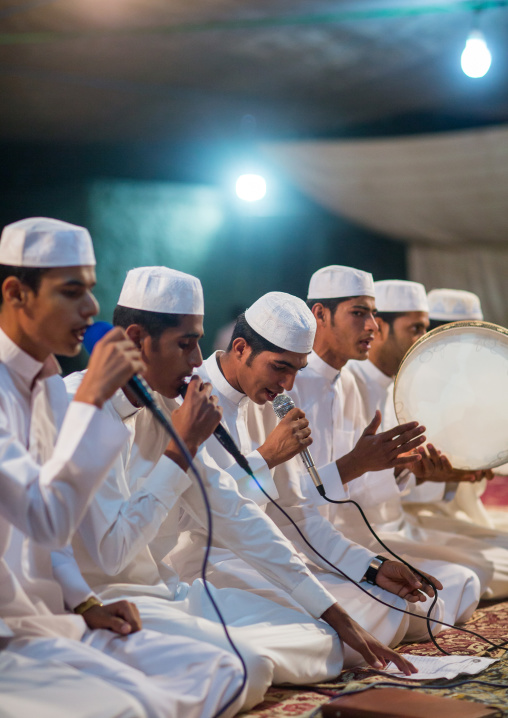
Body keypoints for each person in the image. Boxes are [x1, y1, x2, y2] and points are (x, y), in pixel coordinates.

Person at [65, 266, 419, 704]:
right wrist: (185, 449)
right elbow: (113, 554)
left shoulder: (167, 409)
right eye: (186, 343)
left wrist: (334, 612)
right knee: (245, 669)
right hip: (106, 601)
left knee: (330, 638)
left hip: (170, 589)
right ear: (138, 340)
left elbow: (238, 513)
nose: (197, 360)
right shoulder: (78, 406)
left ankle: (209, 656)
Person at [0, 218, 245, 718]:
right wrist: (90, 402)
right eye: (71, 292)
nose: (90, 309)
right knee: (136, 709)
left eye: (90, 291)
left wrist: (84, 602)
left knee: (225, 673)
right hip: (14, 623)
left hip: (50, 614)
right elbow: (47, 517)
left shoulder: (44, 383)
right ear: (16, 293)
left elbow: (52, 541)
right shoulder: (54, 392)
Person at [184, 290, 449, 661]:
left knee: (403, 605)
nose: (288, 385)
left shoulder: (265, 400)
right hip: (205, 566)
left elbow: (298, 514)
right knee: (352, 628)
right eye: (280, 367)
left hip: (269, 556)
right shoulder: (188, 397)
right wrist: (267, 457)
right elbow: (208, 513)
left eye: (297, 370)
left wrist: (371, 568)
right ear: (241, 348)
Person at [291, 266, 483, 623]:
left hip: (350, 542)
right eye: (360, 314)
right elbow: (277, 499)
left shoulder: (350, 384)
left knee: (463, 584)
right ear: (319, 314)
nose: (372, 327)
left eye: (374, 315)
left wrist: (401, 469)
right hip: (302, 547)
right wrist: (359, 465)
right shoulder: (286, 386)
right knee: (402, 609)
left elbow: (358, 489)